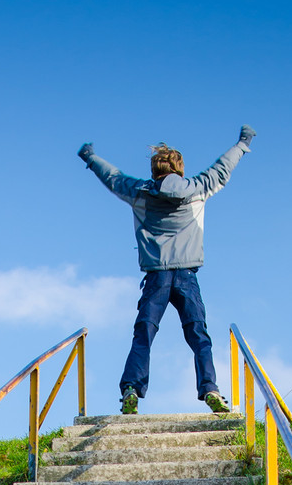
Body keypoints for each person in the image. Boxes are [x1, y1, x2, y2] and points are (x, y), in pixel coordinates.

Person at [77, 128, 256, 415]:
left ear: (154, 169)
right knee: (199, 335)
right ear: (180, 169)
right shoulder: (198, 189)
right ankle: (210, 388)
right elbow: (223, 168)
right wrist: (242, 143)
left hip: (156, 277)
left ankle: (131, 389)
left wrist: (90, 157)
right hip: (187, 276)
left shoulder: (140, 193)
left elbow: (113, 177)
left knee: (144, 334)